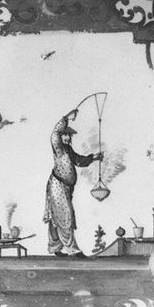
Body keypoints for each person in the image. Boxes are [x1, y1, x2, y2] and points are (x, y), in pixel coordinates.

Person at [43, 109, 103, 257]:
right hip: (57, 185)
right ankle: (73, 250)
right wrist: (66, 118)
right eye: (65, 135)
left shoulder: (68, 149)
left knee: (57, 216)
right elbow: (54, 134)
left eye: (69, 135)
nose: (67, 138)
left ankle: (55, 247)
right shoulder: (58, 147)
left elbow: (78, 161)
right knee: (64, 216)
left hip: (66, 187)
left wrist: (93, 158)